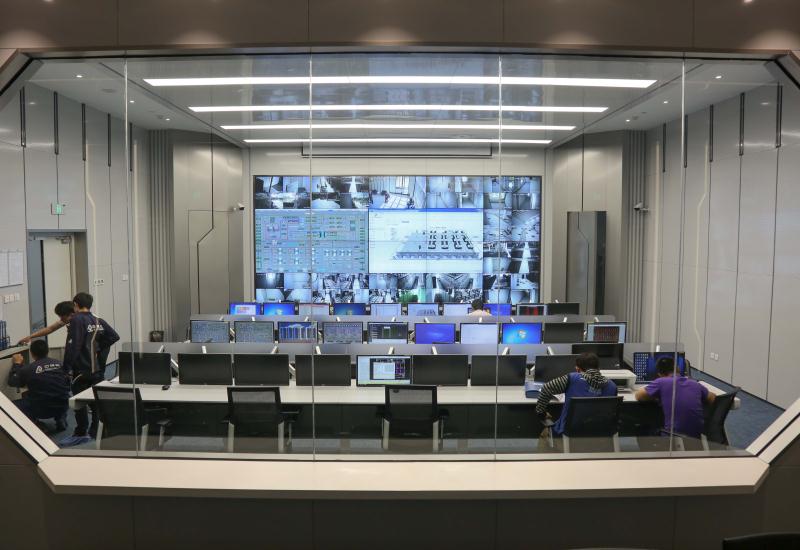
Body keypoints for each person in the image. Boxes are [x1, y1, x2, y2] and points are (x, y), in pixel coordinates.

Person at [61, 292, 120, 445]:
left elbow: (73, 347)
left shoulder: (76, 320)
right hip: (97, 369)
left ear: (75, 304)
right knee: (95, 402)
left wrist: (66, 369)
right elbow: (114, 336)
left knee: (79, 402)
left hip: (81, 370)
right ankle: (95, 431)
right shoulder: (97, 319)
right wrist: (98, 349)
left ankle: (81, 432)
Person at [536, 353, 618, 436]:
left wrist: (541, 413)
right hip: (602, 434)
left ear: (578, 370)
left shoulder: (572, 379)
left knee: (544, 434)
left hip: (571, 434)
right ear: (598, 369)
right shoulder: (612, 386)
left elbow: (546, 388)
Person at [635, 356, 715, 438]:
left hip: (673, 438)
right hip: (696, 438)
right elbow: (712, 398)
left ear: (659, 374)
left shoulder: (660, 382)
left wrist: (656, 396)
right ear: (677, 369)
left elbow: (639, 396)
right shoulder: (694, 383)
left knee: (644, 427)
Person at [7, 340, 70, 433]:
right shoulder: (60, 364)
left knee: (10, 406)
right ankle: (60, 418)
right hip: (63, 405)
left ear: (32, 353)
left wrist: (17, 364)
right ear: (48, 351)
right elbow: (67, 383)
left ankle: (36, 423)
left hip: (41, 410)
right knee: (57, 391)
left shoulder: (28, 369)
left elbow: (12, 382)